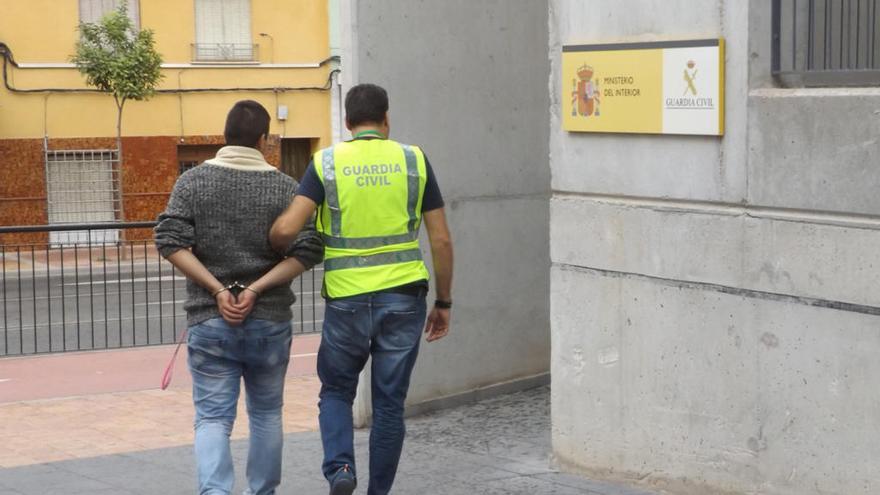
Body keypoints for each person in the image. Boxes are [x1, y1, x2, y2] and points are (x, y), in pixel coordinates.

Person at [269, 83, 454, 495]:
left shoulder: (326, 163)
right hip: (405, 298)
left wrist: (277, 242)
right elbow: (441, 239)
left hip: (347, 300)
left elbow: (285, 229)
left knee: (336, 390)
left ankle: (341, 472)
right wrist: (443, 302)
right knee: (389, 404)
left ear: (349, 123)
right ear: (386, 119)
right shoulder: (414, 160)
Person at [154, 100, 323, 495]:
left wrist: (216, 289)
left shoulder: (192, 182)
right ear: (263, 140)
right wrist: (256, 288)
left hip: (209, 322)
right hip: (269, 320)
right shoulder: (285, 188)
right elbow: (309, 249)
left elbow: (169, 239)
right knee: (266, 414)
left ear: (224, 136)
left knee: (212, 418)